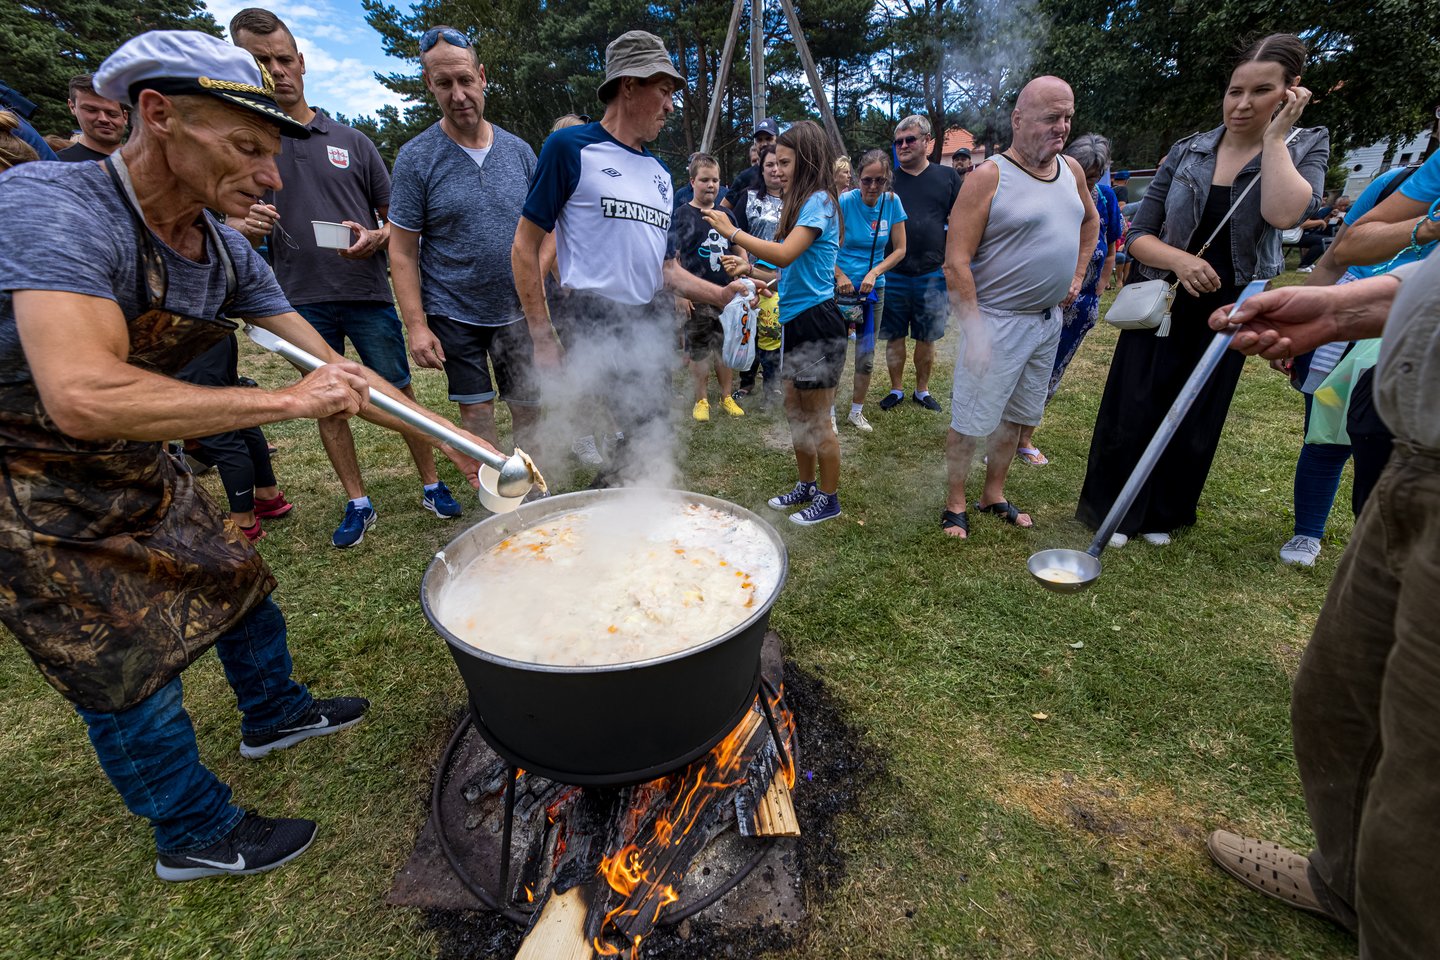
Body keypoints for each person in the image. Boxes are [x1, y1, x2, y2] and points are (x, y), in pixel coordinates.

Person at [0, 30, 498, 882]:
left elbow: (338, 374)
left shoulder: (223, 249)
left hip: (137, 464)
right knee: (124, 664)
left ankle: (273, 714)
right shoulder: (54, 204)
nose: (271, 176)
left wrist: (465, 449)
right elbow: (80, 394)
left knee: (236, 584)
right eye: (247, 149)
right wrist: (285, 402)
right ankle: (191, 833)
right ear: (157, 116)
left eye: (272, 153)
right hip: (31, 484)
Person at [1202, 257, 1440, 959]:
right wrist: (1344, 311)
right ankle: (1345, 884)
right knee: (1339, 702)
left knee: (1424, 797)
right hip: (1413, 460)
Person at [1075, 34, 1329, 547]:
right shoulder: (1188, 149)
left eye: (1260, 91)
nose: (1242, 104)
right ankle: (1116, 512)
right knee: (1136, 402)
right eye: (1235, 90)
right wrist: (1181, 261)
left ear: (1289, 93)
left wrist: (1276, 140)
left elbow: (1285, 214)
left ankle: (1163, 513)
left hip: (1230, 302)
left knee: (1197, 408)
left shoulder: (1305, 145)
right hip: (1163, 297)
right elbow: (1139, 236)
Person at [229, 8, 457, 548]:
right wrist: (244, 225)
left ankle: (431, 482)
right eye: (261, 63)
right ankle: (358, 501)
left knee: (397, 391)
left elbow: (395, 225)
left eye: (284, 59)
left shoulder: (353, 142)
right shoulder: (246, 145)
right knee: (327, 399)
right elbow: (221, 227)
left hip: (365, 293)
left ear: (302, 62)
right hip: (295, 300)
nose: (276, 71)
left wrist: (373, 238)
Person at [511, 30, 747, 487]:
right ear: (629, 84)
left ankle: (625, 514)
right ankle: (608, 516)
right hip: (592, 316)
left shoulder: (659, 174)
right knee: (641, 431)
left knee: (652, 430)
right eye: (664, 91)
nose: (671, 106)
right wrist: (541, 336)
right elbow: (524, 246)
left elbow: (667, 269)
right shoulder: (571, 148)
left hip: (649, 318)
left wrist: (721, 291)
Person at [940, 76, 1098, 540]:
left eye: (1067, 117)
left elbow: (1090, 222)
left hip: (1047, 321)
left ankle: (993, 493)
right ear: (1019, 119)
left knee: (1017, 414)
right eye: (1052, 117)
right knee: (972, 416)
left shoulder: (1071, 170)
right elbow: (956, 263)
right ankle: (954, 503)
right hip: (997, 319)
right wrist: (976, 332)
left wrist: (1075, 277)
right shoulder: (989, 177)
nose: (1062, 127)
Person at [390, 26, 543, 487]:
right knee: (475, 410)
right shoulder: (416, 158)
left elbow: (543, 234)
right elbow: (401, 248)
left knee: (529, 407)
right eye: (444, 84)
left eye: (464, 81)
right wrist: (416, 325)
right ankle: (495, 494)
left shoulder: (519, 152)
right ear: (429, 86)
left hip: (516, 309)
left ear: (481, 76)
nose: (457, 95)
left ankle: (530, 486)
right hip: (454, 309)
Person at [1273, 162, 1429, 566]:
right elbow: (1337, 256)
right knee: (1324, 436)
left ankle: (1383, 542)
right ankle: (1308, 532)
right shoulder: (1399, 182)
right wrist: (1297, 326)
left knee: (1395, 447)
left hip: (1417, 332)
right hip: (1350, 316)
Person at [707, 120, 846, 525]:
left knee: (818, 418)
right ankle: (805, 485)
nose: (778, 169)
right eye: (775, 162)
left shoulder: (820, 200)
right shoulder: (802, 203)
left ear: (806, 159)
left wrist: (734, 232)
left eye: (786, 161)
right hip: (795, 320)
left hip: (818, 321)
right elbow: (786, 270)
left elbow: (785, 254)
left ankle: (829, 498)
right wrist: (751, 272)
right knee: (794, 410)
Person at [1014, 133, 1122, 466]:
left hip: (1081, 304)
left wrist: (1100, 285)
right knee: (1022, 369)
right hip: (1043, 301)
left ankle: (1024, 438)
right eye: (1082, 175)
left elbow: (1111, 243)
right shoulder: (1047, 194)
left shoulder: (1104, 198)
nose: (1085, 184)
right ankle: (1002, 437)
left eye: (1091, 178)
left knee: (1052, 372)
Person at [879, 115, 962, 413]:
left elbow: (961, 224)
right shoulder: (887, 180)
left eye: (910, 140)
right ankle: (897, 389)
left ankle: (922, 390)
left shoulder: (948, 178)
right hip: (893, 273)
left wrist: (952, 262)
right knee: (895, 335)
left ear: (927, 142)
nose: (903, 146)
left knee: (927, 336)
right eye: (898, 141)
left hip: (932, 273)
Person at [834, 148, 908, 433]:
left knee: (865, 356)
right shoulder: (844, 202)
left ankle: (856, 411)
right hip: (840, 291)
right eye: (867, 180)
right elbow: (825, 247)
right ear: (857, 178)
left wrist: (875, 272)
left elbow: (900, 249)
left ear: (888, 179)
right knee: (835, 353)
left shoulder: (892, 203)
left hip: (873, 292)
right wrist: (839, 275)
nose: (873, 187)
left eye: (880, 181)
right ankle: (828, 414)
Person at [669, 153, 745, 421]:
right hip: (695, 295)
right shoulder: (681, 214)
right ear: (692, 181)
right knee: (700, 349)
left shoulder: (726, 215)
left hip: (725, 296)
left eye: (715, 180)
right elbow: (673, 257)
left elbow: (739, 246)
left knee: (725, 348)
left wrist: (743, 273)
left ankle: (726, 396)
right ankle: (702, 399)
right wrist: (679, 294)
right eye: (704, 180)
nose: (710, 185)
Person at [728, 142, 783, 403]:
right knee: (748, 331)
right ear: (761, 169)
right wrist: (743, 271)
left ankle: (773, 386)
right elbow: (734, 233)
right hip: (750, 275)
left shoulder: (796, 200)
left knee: (772, 335)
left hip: (782, 279)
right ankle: (747, 382)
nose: (774, 170)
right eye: (768, 165)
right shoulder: (749, 198)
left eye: (779, 164)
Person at [55, 74, 126, 161]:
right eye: (91, 110)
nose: (103, 119)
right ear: (72, 107)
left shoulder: (144, 162)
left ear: (125, 117)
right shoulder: (58, 165)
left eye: (112, 114)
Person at [721, 117, 779, 211]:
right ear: (755, 144)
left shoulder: (788, 172)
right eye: (759, 140)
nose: (764, 143)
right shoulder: (745, 177)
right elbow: (723, 208)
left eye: (769, 139)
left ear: (777, 140)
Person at [1294, 195, 1349, 272]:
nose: (1343, 208)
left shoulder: (1345, 212)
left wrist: (1342, 219)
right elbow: (1305, 224)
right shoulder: (1323, 211)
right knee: (1322, 240)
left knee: (1328, 240)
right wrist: (1326, 218)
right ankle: (1304, 265)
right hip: (1300, 235)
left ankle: (1309, 262)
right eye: (1341, 205)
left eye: (1345, 206)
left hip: (1313, 234)